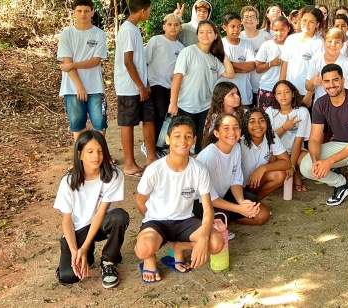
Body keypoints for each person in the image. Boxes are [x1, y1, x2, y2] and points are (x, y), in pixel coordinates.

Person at [134, 116, 224, 283]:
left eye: (188, 136)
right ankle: (150, 258)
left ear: (194, 140)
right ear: (168, 139)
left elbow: (207, 208)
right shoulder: (155, 169)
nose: (182, 140)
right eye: (177, 136)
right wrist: (151, 222)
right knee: (143, 249)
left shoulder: (199, 169)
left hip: (185, 221)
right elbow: (140, 201)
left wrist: (203, 239)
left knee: (216, 244)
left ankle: (178, 246)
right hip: (157, 221)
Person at [299, 64, 348, 218]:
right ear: (322, 83)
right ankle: (342, 184)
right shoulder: (320, 103)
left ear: (343, 80)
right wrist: (317, 162)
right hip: (342, 143)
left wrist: (329, 162)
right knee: (307, 166)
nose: (331, 85)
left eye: (335, 80)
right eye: (327, 81)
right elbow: (314, 139)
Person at [54, 131, 128, 288]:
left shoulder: (114, 176)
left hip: (101, 222)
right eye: (90, 151)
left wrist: (85, 246)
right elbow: (67, 219)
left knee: (119, 217)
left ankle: (108, 260)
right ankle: (81, 252)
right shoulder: (68, 181)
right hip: (78, 229)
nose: (96, 156)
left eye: (100, 150)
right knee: (68, 276)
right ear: (80, 155)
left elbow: (101, 213)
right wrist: (76, 251)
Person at [169, 21, 235, 153]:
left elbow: (230, 73)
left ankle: (197, 168)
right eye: (201, 32)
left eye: (209, 32)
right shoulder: (188, 52)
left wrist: (223, 53)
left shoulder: (213, 59)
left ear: (215, 36)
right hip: (185, 106)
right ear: (197, 35)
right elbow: (177, 78)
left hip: (205, 107)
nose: (205, 35)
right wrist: (173, 103)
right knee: (183, 142)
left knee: (200, 143)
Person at [197, 113, 271, 225]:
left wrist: (241, 202)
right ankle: (220, 218)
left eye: (236, 127)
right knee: (222, 217)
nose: (232, 132)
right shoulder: (210, 156)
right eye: (226, 128)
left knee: (261, 214)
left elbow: (236, 180)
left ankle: (227, 217)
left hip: (223, 194)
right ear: (216, 133)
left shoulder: (236, 147)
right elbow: (208, 198)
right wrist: (238, 209)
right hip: (201, 201)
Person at [114, 0, 157, 177]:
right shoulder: (128, 30)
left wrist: (145, 84)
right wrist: (140, 86)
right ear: (142, 10)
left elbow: (139, 62)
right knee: (128, 123)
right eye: (149, 11)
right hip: (129, 86)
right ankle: (129, 164)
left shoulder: (134, 29)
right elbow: (128, 62)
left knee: (149, 118)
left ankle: (152, 158)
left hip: (140, 84)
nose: (149, 14)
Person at [58, 0, 108, 143]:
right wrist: (79, 86)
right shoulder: (67, 34)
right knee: (77, 124)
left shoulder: (99, 34)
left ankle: (100, 153)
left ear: (92, 12)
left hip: (94, 86)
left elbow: (95, 61)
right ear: (73, 12)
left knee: (100, 123)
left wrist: (72, 65)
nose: (83, 14)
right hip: (72, 87)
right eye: (79, 11)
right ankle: (81, 157)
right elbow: (67, 61)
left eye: (86, 11)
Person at [145, 13, 185, 144]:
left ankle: (161, 145)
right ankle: (150, 145)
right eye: (169, 24)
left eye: (176, 25)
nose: (173, 27)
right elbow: (144, 62)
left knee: (170, 117)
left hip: (172, 87)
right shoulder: (156, 40)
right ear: (164, 27)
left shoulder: (182, 48)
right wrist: (145, 83)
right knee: (158, 115)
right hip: (156, 84)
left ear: (180, 27)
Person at [267, 80, 312, 193]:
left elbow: (298, 140)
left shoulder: (302, 112)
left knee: (308, 162)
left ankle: (295, 172)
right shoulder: (270, 111)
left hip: (296, 151)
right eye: (279, 93)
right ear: (275, 96)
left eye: (286, 92)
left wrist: (291, 165)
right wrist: (285, 127)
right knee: (272, 170)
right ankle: (291, 175)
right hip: (276, 153)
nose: (283, 96)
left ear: (293, 94)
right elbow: (268, 139)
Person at [238, 108, 291, 199]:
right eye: (252, 122)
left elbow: (287, 162)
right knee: (264, 214)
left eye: (262, 121)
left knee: (279, 175)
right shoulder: (240, 142)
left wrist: (263, 168)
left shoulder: (270, 135)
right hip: (238, 187)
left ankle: (256, 202)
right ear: (245, 125)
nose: (257, 125)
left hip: (255, 183)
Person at [280, 7, 325, 96]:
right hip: (289, 91)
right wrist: (281, 86)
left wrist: (309, 94)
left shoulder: (319, 43)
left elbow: (318, 71)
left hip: (307, 92)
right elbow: (285, 65)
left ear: (317, 24)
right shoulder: (290, 39)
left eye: (311, 22)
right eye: (304, 20)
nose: (307, 24)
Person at [304, 27, 348, 107]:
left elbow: (346, 90)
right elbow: (307, 86)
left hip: (338, 106)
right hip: (319, 105)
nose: (333, 44)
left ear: (342, 45)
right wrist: (313, 81)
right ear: (324, 42)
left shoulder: (346, 63)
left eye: (337, 42)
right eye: (329, 41)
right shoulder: (316, 59)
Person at [255, 16, 291, 109]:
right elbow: (258, 69)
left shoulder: (293, 45)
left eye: (282, 29)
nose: (279, 33)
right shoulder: (267, 45)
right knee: (264, 119)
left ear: (288, 29)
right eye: (276, 30)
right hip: (267, 88)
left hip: (287, 90)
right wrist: (271, 63)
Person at [221, 13, 256, 108]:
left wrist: (230, 64)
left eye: (239, 26)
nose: (236, 30)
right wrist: (243, 69)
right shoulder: (219, 45)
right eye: (232, 26)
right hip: (224, 96)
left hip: (244, 95)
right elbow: (218, 68)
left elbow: (251, 66)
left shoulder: (247, 45)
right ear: (224, 27)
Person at [239, 6, 271, 106]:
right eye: (246, 17)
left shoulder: (266, 36)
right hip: (243, 86)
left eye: (252, 17)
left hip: (263, 85)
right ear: (241, 20)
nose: (249, 19)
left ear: (257, 20)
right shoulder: (238, 37)